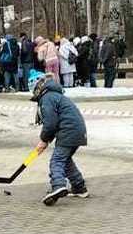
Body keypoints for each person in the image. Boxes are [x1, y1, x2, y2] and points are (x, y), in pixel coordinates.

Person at [31, 72, 89, 206]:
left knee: (56, 160)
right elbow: (54, 122)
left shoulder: (47, 98)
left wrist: (44, 140)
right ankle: (79, 187)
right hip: (77, 130)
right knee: (65, 159)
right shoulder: (54, 95)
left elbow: (51, 123)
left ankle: (58, 186)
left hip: (68, 131)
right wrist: (46, 140)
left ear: (39, 87)